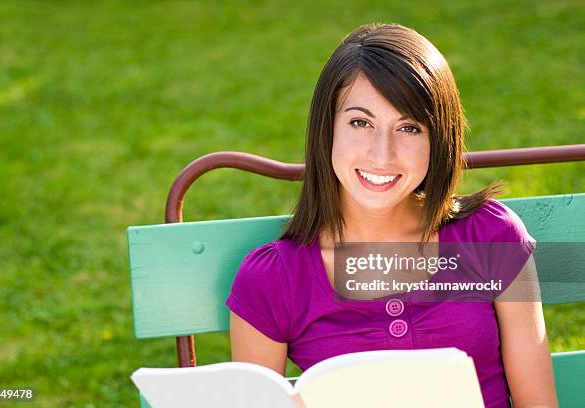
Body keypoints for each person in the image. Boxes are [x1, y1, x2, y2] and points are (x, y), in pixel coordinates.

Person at [225, 23, 558, 407]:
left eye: (409, 128)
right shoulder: (274, 279)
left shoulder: (490, 238)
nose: (382, 155)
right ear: (326, 129)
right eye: (360, 122)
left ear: (439, 141)